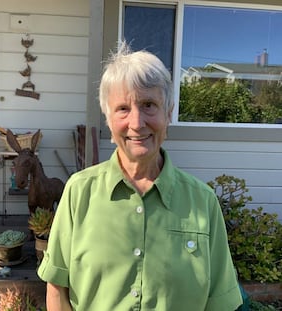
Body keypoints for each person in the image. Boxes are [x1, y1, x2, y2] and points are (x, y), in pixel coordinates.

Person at [37, 43, 243, 311]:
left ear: (168, 114)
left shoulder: (202, 201)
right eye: (123, 108)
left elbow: (220, 302)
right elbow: (57, 288)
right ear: (109, 121)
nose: (136, 123)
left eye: (149, 105)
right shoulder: (79, 192)